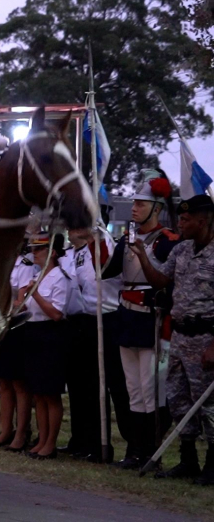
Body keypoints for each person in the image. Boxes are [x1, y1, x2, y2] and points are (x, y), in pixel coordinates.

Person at [133, 194, 214, 485]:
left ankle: (212, 463)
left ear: (203, 221)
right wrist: (143, 256)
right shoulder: (181, 251)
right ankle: (188, 460)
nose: (180, 223)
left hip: (206, 337)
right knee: (179, 400)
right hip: (180, 336)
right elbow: (160, 280)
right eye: (180, 217)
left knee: (207, 405)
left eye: (186, 219)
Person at [103, 170, 179, 469]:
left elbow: (164, 283)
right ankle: (134, 450)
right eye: (133, 202)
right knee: (133, 389)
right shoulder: (127, 238)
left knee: (150, 390)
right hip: (127, 318)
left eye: (140, 203)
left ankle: (151, 451)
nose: (134, 207)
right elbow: (107, 271)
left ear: (156, 208)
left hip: (151, 321)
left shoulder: (167, 241)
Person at [61, 225, 122, 462]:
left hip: (105, 318)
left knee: (98, 386)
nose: (69, 229)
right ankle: (80, 439)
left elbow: (103, 269)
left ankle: (98, 445)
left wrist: (93, 230)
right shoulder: (78, 252)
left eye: (74, 224)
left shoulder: (101, 242)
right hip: (83, 319)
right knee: (79, 385)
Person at [16, 232, 70, 459]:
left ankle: (50, 443)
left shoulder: (60, 277)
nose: (33, 253)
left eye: (39, 250)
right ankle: (42, 439)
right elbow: (24, 308)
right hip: (33, 332)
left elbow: (56, 313)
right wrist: (22, 295)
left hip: (50, 335)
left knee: (50, 394)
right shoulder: (37, 276)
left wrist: (35, 294)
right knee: (38, 392)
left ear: (52, 253)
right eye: (33, 249)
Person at [0, 250, 35, 449]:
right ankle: (6, 429)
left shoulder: (25, 264)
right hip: (2, 324)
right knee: (4, 381)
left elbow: (22, 303)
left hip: (18, 326)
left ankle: (21, 431)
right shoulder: (1, 259)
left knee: (19, 384)